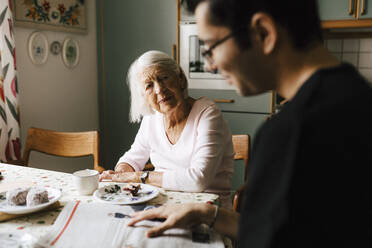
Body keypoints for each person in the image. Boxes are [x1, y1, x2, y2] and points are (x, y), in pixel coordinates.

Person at [127, 0, 372, 247]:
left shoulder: (290, 131)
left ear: (263, 32)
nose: (211, 64)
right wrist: (206, 214)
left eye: (212, 47)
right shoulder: (357, 97)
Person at [100, 50, 234, 208]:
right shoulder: (152, 118)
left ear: (181, 79)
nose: (159, 89)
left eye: (163, 78)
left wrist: (140, 177)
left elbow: (198, 180)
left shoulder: (208, 114)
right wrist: (121, 173)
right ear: (143, 95)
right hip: (162, 204)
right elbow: (132, 159)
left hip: (209, 210)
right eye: (149, 85)